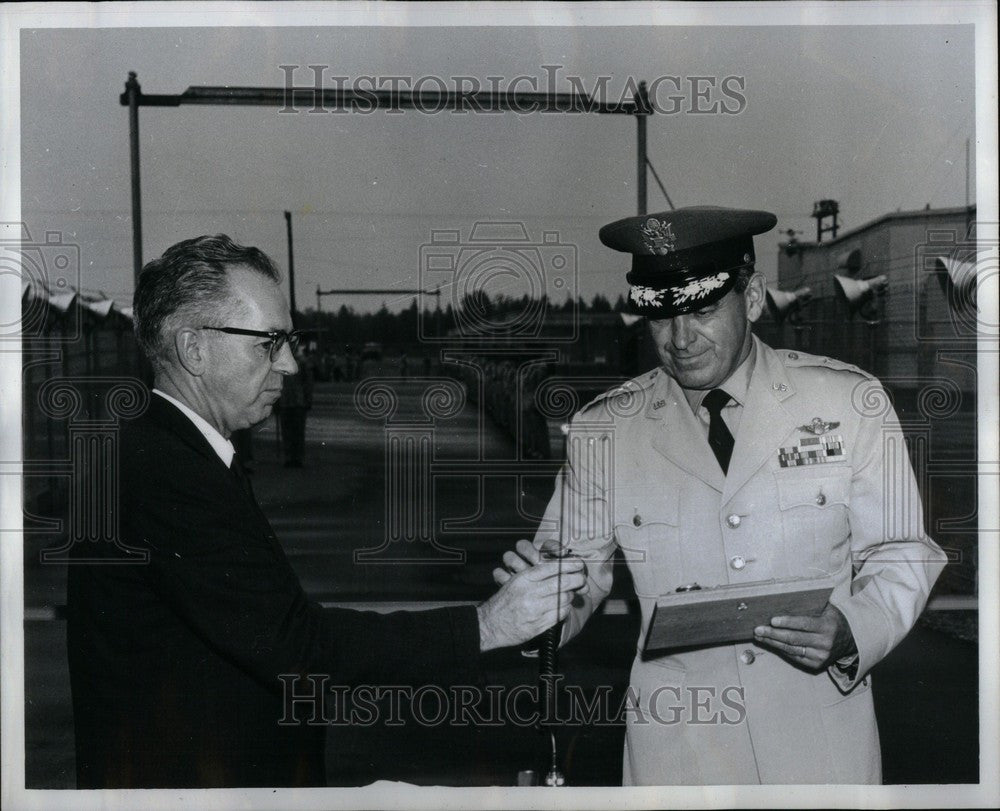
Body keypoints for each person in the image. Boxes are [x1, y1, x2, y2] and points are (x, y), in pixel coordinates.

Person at [66, 235, 585, 789]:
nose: (289, 363)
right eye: (268, 343)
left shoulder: (172, 454)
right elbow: (298, 647)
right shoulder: (165, 472)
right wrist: (484, 625)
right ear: (194, 349)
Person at [495, 206, 946, 785]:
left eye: (703, 310)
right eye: (660, 317)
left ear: (752, 298)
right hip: (677, 760)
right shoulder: (605, 431)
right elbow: (575, 578)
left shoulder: (847, 404)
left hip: (818, 752)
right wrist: (542, 610)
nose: (681, 340)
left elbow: (903, 550)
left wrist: (852, 629)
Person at [277, 343, 313, 467]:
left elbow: (308, 382)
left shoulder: (302, 363)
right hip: (286, 401)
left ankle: (297, 457)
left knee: (297, 431)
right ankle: (289, 457)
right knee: (288, 431)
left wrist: (308, 399)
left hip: (298, 401)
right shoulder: (279, 363)